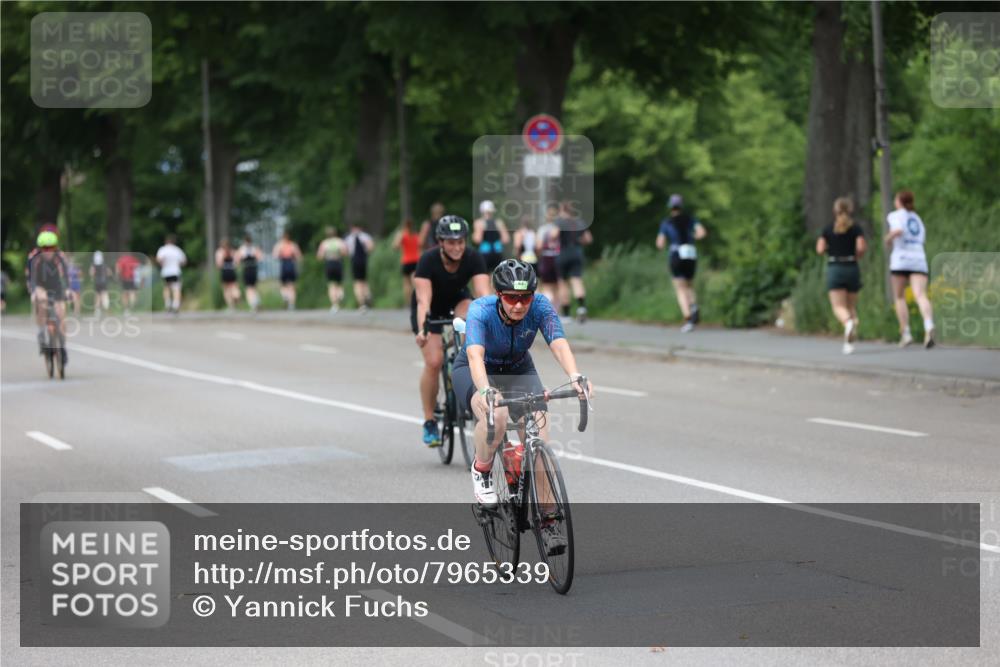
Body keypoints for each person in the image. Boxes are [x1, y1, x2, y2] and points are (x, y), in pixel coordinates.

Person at [451, 260, 593, 555]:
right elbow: (476, 355)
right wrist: (486, 389)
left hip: (518, 369)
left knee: (539, 437)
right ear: (499, 295)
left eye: (525, 297)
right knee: (497, 416)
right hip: (477, 370)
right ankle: (482, 470)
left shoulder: (541, 306)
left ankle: (549, 521)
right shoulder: (481, 310)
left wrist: (575, 375)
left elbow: (558, 342)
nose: (519, 305)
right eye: (511, 298)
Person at [411, 215, 491, 446]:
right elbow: (423, 301)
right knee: (434, 361)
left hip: (458, 302)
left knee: (471, 321)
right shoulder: (427, 260)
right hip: (430, 310)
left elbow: (484, 296)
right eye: (451, 242)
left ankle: (463, 368)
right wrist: (424, 328)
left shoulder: (473, 257)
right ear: (440, 242)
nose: (457, 247)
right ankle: (429, 421)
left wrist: (492, 325)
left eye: (460, 242)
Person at [816, 197, 867, 355]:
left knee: (838, 307)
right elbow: (861, 247)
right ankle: (849, 343)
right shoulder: (856, 228)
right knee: (851, 306)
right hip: (852, 267)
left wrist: (831, 249)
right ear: (850, 210)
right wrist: (856, 255)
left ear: (835, 211)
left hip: (835, 267)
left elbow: (819, 249)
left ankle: (848, 324)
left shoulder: (828, 229)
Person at [886, 190, 934, 348]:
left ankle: (905, 332)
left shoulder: (895, 215)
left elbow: (898, 230)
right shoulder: (917, 218)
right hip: (919, 258)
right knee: (920, 295)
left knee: (899, 297)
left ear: (899, 201)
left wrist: (888, 238)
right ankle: (928, 325)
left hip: (901, 259)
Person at [656, 194, 707, 332]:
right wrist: (693, 237)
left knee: (680, 287)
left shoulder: (667, 222)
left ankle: (688, 317)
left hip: (676, 253)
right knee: (689, 284)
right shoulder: (690, 219)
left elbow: (660, 243)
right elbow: (702, 233)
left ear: (670, 207)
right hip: (690, 253)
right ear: (681, 206)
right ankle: (694, 305)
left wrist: (665, 244)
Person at [26, 230, 70, 364]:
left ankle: (62, 346)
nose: (48, 251)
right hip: (40, 285)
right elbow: (32, 278)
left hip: (56, 286)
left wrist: (67, 289)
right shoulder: (35, 257)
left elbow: (66, 275)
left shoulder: (60, 256)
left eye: (51, 248)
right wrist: (34, 292)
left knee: (61, 313)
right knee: (41, 301)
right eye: (45, 248)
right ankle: (41, 333)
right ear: (40, 248)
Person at [555, 200, 593, 323]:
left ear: (562, 209)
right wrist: (578, 241)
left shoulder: (559, 221)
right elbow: (588, 239)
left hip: (564, 252)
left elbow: (552, 235)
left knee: (563, 283)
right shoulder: (579, 222)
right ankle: (582, 308)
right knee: (577, 280)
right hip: (577, 252)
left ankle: (566, 314)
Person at [472, 200, 510, 271]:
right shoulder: (499, 222)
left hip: (484, 253)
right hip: (498, 253)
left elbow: (477, 239)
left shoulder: (479, 223)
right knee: (498, 276)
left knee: (485, 275)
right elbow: (506, 239)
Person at [345, 224, 375, 311]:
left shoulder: (349, 238)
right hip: (363, 261)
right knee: (364, 280)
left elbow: (345, 251)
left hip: (354, 261)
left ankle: (361, 303)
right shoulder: (365, 236)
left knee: (357, 282)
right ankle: (367, 294)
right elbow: (371, 247)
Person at [317, 227, 347, 312]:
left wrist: (326, 255)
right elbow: (344, 252)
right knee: (339, 282)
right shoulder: (339, 241)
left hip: (329, 264)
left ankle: (334, 305)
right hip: (338, 263)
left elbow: (320, 256)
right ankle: (340, 294)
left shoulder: (324, 243)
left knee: (331, 284)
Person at [537, 203, 561, 309]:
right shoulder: (560, 228)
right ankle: (557, 310)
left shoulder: (543, 229)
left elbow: (539, 246)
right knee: (558, 285)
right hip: (558, 257)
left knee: (547, 286)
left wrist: (538, 255)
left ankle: (548, 309)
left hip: (547, 257)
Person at [393, 218, 423, 304]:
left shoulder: (402, 235)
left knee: (406, 284)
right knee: (415, 282)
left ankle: (409, 302)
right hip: (416, 260)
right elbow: (420, 246)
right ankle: (418, 300)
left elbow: (395, 247)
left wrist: (398, 236)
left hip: (406, 261)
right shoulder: (416, 235)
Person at [156, 234, 187, 314]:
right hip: (175, 271)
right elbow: (184, 261)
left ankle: (168, 304)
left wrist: (163, 264)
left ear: (166, 242)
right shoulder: (177, 250)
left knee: (166, 288)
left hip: (166, 272)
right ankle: (175, 305)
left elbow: (159, 259)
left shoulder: (162, 249)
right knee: (176, 289)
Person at [272, 231, 302, 310]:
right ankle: (292, 304)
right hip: (291, 264)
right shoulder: (293, 245)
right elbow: (299, 256)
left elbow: (275, 256)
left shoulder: (279, 245)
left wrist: (281, 255)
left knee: (283, 284)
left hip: (284, 264)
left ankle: (285, 296)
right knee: (292, 285)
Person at [237, 234, 264, 313]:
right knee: (254, 288)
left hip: (247, 270)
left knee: (249, 289)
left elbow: (237, 260)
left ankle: (253, 304)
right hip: (253, 269)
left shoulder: (242, 249)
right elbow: (260, 258)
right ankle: (257, 302)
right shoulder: (254, 249)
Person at [215, 238, 240, 312]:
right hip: (232, 271)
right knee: (234, 287)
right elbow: (237, 263)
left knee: (226, 290)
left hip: (225, 271)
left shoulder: (219, 252)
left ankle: (231, 306)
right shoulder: (232, 251)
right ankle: (237, 296)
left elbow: (219, 264)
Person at [90, 250, 110, 317]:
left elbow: (91, 273)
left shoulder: (94, 264)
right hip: (103, 281)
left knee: (97, 296)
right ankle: (106, 309)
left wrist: (92, 277)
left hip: (97, 282)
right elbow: (108, 272)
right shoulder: (104, 264)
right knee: (104, 295)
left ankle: (97, 310)